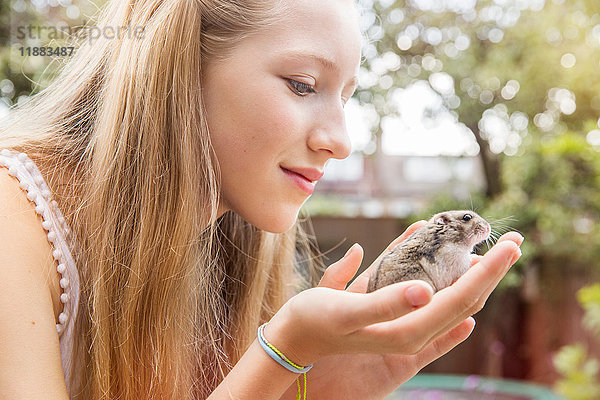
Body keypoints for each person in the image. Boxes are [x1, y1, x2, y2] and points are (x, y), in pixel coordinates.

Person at [0, 0, 523, 399]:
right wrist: (283, 353)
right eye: (302, 85)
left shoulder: (230, 255)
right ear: (178, 65)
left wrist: (308, 389)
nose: (340, 142)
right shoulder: (13, 223)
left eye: (346, 98)